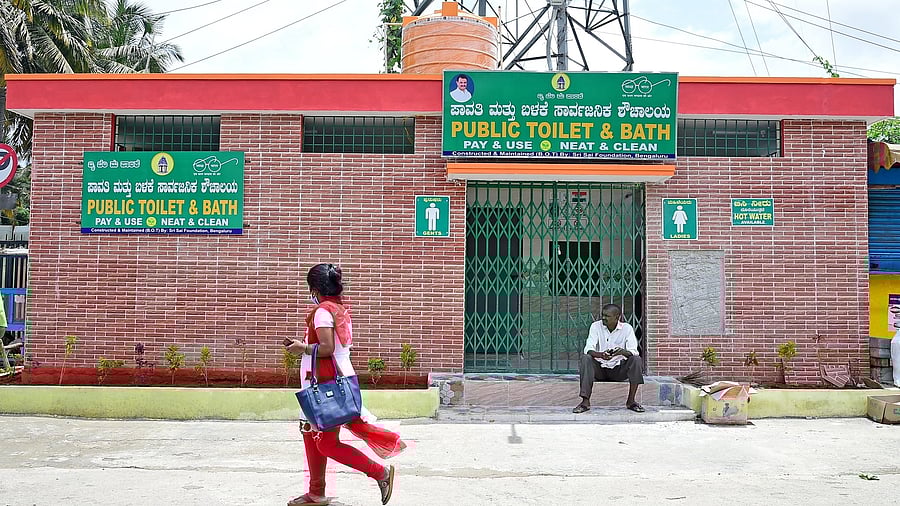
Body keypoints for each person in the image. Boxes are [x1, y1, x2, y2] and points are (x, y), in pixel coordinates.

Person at [283, 263, 405, 506]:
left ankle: (380, 474)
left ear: (315, 288)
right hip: (326, 380)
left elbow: (327, 348)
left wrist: (301, 347)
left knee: (327, 443)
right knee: (311, 434)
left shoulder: (322, 312)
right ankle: (315, 493)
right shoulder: (338, 309)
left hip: (326, 384)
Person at [572, 303, 645, 414]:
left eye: (607, 316)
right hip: (600, 370)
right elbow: (588, 349)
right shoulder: (596, 326)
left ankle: (631, 401)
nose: (603, 318)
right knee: (586, 358)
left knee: (636, 359)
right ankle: (585, 402)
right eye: (603, 315)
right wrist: (601, 355)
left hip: (618, 370)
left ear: (617, 317)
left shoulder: (627, 329)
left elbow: (633, 351)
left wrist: (621, 352)